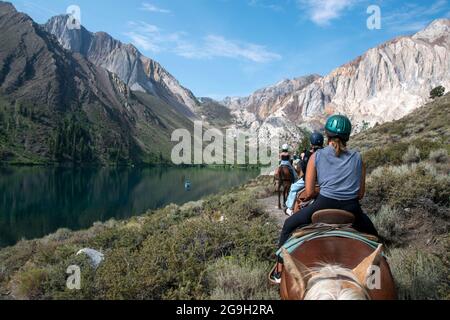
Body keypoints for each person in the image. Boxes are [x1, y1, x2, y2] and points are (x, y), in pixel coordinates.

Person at [271, 115, 378, 283]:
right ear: (347, 136)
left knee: (288, 225)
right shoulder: (358, 158)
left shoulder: (317, 156)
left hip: (323, 204)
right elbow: (360, 194)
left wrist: (324, 190)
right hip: (352, 209)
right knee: (375, 238)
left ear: (327, 135)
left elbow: (308, 191)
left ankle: (278, 271)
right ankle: (375, 279)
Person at [284, 132, 324, 216]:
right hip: (323, 181)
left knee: (293, 187)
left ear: (312, 143)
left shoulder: (308, 154)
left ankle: (289, 207)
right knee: (291, 170)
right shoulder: (326, 153)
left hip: (308, 180)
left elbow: (304, 168)